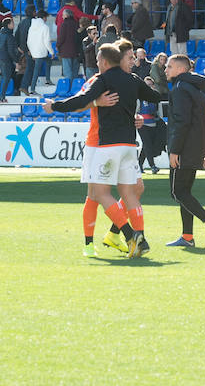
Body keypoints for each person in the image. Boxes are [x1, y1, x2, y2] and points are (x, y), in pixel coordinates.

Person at [44, 44, 162, 257]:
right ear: (118, 59)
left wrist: (133, 118)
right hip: (97, 143)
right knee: (94, 195)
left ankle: (121, 235)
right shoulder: (98, 80)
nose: (132, 61)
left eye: (133, 58)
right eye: (129, 58)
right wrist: (97, 102)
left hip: (112, 144)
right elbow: (81, 103)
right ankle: (90, 244)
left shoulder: (120, 79)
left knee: (133, 189)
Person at [164, 54, 205, 247]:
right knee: (185, 191)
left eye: (169, 67)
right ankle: (187, 237)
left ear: (181, 70)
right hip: (195, 147)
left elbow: (181, 122)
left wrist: (174, 150)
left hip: (184, 148)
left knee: (177, 192)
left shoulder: (180, 89)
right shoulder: (194, 89)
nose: (166, 70)